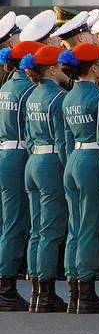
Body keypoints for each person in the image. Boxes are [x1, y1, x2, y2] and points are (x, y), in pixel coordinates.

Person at [59, 43, 99, 314]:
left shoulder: (68, 97)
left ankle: (74, 289)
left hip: (73, 162)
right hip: (91, 161)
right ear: (92, 68)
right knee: (91, 227)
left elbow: (66, 139)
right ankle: (87, 292)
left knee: (75, 227)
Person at [21, 45, 69, 312]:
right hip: (50, 162)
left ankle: (37, 290)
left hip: (33, 160)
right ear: (52, 69)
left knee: (36, 229)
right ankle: (47, 293)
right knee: (51, 229)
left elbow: (28, 135)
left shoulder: (31, 96)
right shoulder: (58, 98)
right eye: (61, 66)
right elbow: (62, 141)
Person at [0, 41, 39, 311]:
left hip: (6, 152)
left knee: (9, 222)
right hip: (20, 153)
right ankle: (6, 287)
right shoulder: (27, 90)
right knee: (16, 223)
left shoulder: (6, 87)